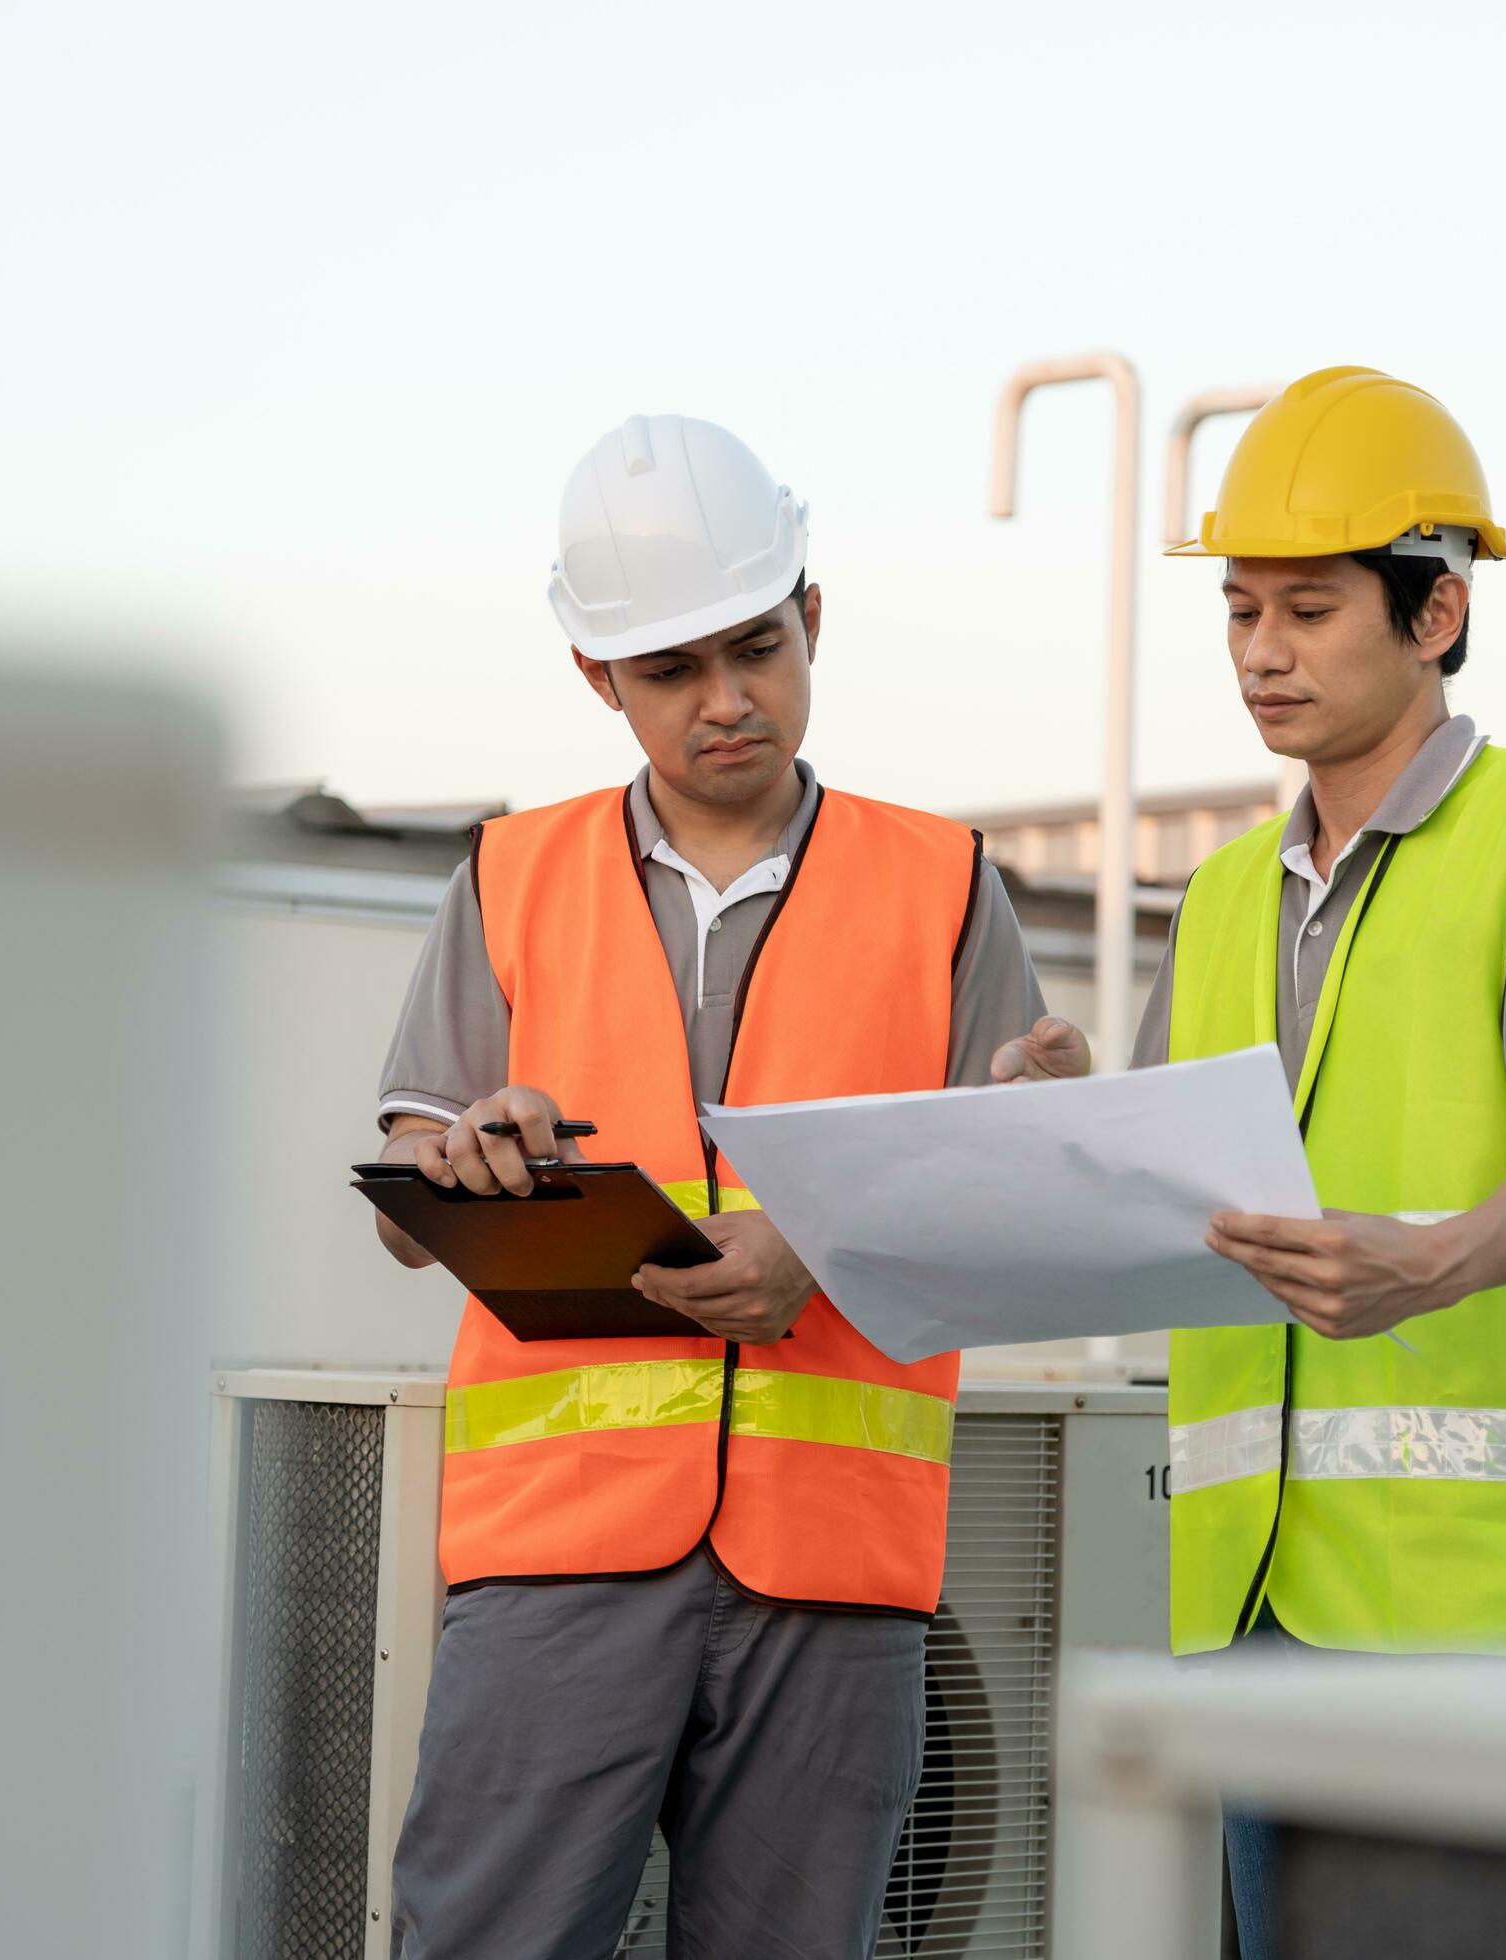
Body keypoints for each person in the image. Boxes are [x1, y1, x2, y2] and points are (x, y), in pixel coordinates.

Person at [370, 412, 1085, 1960]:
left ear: (813, 615)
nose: (727, 700)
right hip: (554, 1559)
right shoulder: (508, 876)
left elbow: (1007, 1216)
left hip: (833, 1572)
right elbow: (403, 1207)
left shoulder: (945, 886)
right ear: (599, 680)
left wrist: (823, 1243)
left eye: (757, 646)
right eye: (672, 670)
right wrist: (471, 1156)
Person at [1139, 367, 1506, 1958]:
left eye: (1309, 610)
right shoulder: (1222, 895)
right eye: (1240, 610)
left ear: (1437, 612)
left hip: (1474, 1611)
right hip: (1251, 1599)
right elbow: (1156, 1184)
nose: (1261, 652)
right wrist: (1041, 1108)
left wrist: (1424, 1264)